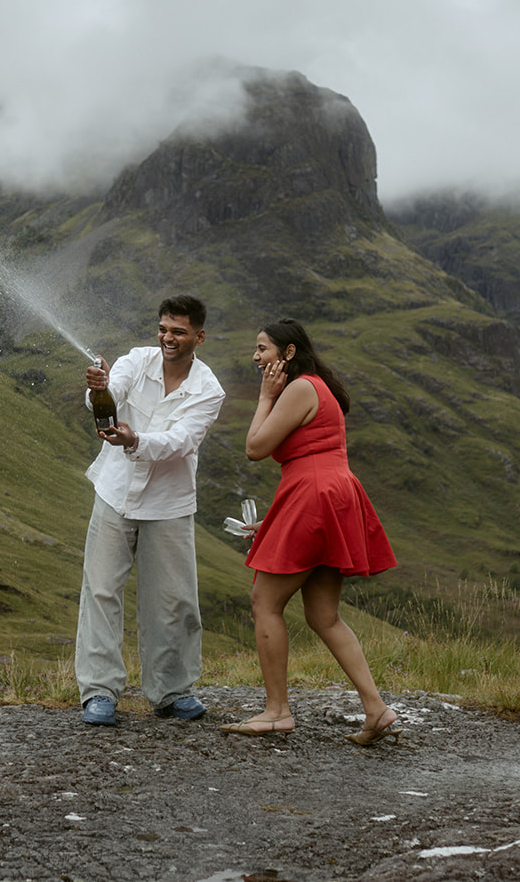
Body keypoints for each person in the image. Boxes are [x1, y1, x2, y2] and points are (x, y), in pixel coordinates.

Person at [223, 317, 399, 744]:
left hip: (314, 494)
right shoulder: (318, 389)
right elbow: (314, 459)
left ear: (287, 353)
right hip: (331, 495)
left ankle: (277, 711)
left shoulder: (301, 388)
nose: (255, 356)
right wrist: (276, 522)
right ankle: (376, 709)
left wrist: (265, 397)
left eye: (262, 348)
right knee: (324, 615)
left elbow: (255, 448)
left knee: (264, 601)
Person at [76, 295, 226, 726]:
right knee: (101, 590)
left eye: (178, 332)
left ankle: (171, 692)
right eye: (163, 329)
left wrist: (135, 441)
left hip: (169, 504)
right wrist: (98, 389)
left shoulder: (209, 389)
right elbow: (105, 398)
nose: (168, 338)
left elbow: (183, 440)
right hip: (114, 491)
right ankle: (99, 692)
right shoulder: (135, 360)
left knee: (173, 600)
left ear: (199, 336)